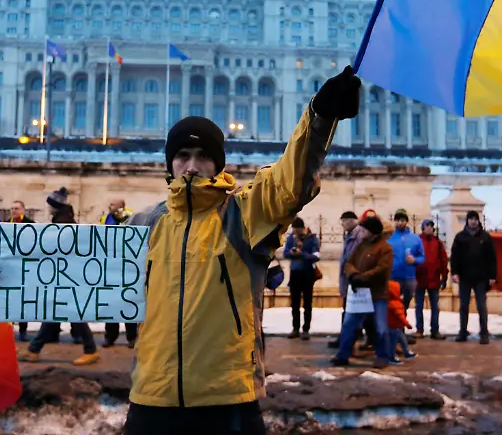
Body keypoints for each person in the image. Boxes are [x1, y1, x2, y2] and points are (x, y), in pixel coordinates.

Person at [119, 66, 358, 435]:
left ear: (219, 163)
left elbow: (290, 182)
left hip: (228, 399)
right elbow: (79, 278)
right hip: (151, 397)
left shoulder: (244, 214)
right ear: (169, 163)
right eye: (182, 155)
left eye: (202, 155)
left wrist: (321, 116)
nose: (193, 165)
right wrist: (6, 273)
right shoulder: (143, 225)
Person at [15, 193, 100, 365]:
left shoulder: (62, 222)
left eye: (50, 205)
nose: (48, 208)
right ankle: (34, 349)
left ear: (55, 206)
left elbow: (59, 248)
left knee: (72, 312)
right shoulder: (64, 220)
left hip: (67, 275)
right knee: (56, 312)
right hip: (66, 273)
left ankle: (90, 350)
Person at [332, 215, 394, 368]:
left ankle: (382, 356)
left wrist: (363, 277)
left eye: (365, 229)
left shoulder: (385, 248)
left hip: (377, 293)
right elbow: (349, 262)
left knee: (380, 326)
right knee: (349, 324)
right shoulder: (361, 246)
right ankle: (343, 354)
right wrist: (353, 275)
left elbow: (382, 269)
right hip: (359, 293)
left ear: (372, 232)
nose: (362, 231)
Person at [328, 211, 377, 349]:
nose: (342, 224)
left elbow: (357, 257)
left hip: (356, 279)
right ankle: (356, 339)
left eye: (343, 221)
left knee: (355, 312)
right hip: (350, 278)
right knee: (355, 311)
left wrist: (355, 275)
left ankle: (347, 341)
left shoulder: (359, 235)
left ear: (350, 221)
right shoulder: (350, 235)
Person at [451, 211, 496, 345]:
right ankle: (462, 332)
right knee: (464, 306)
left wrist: (492, 276)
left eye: (475, 219)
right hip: (464, 277)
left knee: (481, 306)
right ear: (467, 221)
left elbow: (492, 258)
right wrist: (454, 272)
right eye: (470, 219)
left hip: (481, 278)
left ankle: (484, 333)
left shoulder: (485, 237)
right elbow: (455, 256)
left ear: (478, 220)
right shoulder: (460, 237)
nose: (473, 221)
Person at [100, 198, 139, 348]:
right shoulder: (106, 217)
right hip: (110, 265)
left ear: (122, 206)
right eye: (109, 204)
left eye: (113, 204)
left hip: (127, 266)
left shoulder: (130, 215)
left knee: (128, 303)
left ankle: (131, 337)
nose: (110, 206)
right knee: (110, 304)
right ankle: (110, 336)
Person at [388, 209, 424, 338]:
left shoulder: (415, 238)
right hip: (393, 278)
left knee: (404, 306)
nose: (400, 223)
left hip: (409, 278)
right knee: (394, 307)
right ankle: (397, 334)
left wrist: (415, 260)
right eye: (397, 220)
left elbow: (422, 257)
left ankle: (400, 332)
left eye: (402, 220)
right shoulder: (389, 237)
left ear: (406, 222)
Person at [283, 217, 320, 340]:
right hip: (295, 273)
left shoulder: (311, 239)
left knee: (307, 302)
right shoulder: (291, 238)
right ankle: (295, 328)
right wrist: (292, 253)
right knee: (295, 303)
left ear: (303, 229)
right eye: (294, 230)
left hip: (308, 273)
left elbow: (316, 256)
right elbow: (285, 253)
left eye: (298, 231)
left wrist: (302, 254)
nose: (296, 233)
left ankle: (306, 329)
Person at [413, 219, 448, 340]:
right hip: (419, 279)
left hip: (433, 278)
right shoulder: (417, 241)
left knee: (435, 306)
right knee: (419, 306)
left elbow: (443, 260)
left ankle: (435, 330)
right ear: (423, 228)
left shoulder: (437, 243)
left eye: (431, 226)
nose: (429, 228)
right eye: (427, 226)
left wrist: (444, 276)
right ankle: (419, 329)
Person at [4, 201, 34, 340]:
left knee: (23, 299)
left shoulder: (31, 223)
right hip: (9, 265)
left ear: (23, 210)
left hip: (24, 265)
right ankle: (7, 328)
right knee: (8, 298)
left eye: (17, 208)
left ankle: (23, 330)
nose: (14, 210)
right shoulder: (5, 224)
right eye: (12, 208)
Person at [386, 279, 415, 364]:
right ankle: (393, 357)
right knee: (395, 342)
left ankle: (406, 352)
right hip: (396, 327)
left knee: (400, 340)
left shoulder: (388, 302)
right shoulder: (396, 304)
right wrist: (407, 324)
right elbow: (401, 316)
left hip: (391, 326)